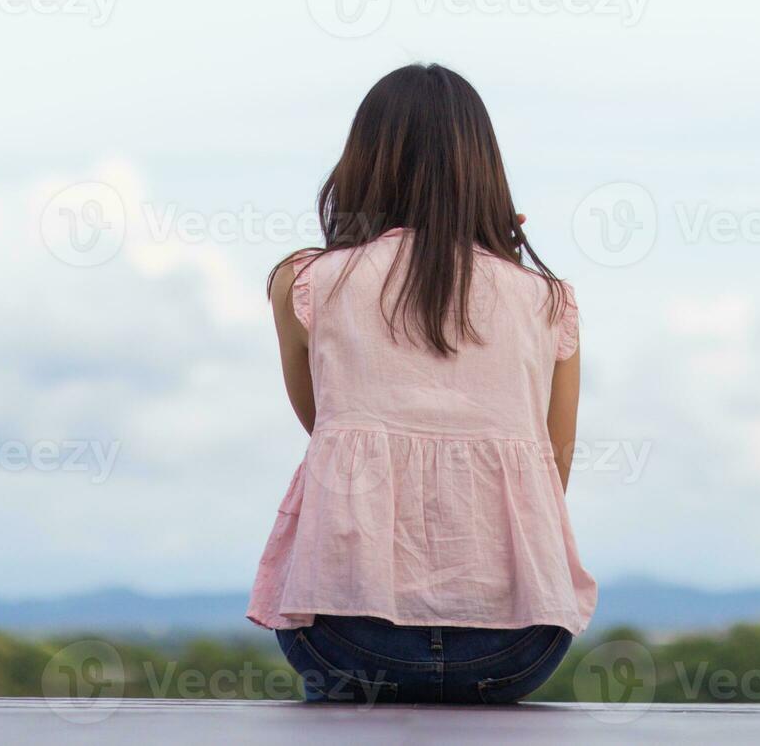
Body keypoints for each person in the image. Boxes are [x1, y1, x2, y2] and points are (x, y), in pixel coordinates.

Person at [248, 63, 596, 704]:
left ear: (363, 164)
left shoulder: (305, 283)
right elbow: (555, 470)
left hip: (347, 638)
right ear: (483, 169)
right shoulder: (547, 300)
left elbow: (326, 421)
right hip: (519, 643)